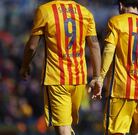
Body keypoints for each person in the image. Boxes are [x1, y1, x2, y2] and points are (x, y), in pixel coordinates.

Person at [19, 0, 101, 135]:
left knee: (62, 128)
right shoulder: (85, 12)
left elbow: (32, 46)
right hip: (79, 79)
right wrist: (97, 77)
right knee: (67, 125)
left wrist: (24, 66)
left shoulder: (45, 10)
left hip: (56, 78)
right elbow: (94, 45)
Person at [96, 0, 138, 134]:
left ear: (121, 5)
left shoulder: (116, 22)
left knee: (116, 132)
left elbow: (108, 51)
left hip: (121, 89)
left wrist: (100, 78)